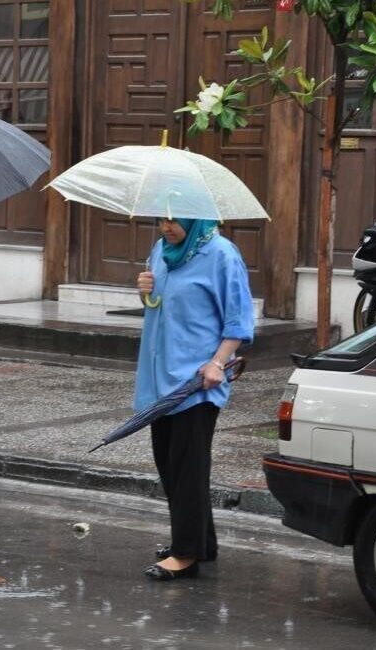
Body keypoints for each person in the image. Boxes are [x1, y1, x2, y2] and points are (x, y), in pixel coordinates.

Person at [135, 217, 254, 581]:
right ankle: (202, 540)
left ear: (194, 215)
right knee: (170, 461)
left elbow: (239, 318)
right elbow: (158, 305)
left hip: (199, 379)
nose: (165, 227)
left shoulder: (221, 254)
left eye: (173, 220)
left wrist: (218, 362)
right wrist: (144, 291)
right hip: (160, 377)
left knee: (187, 465)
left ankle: (186, 554)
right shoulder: (161, 251)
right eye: (160, 219)